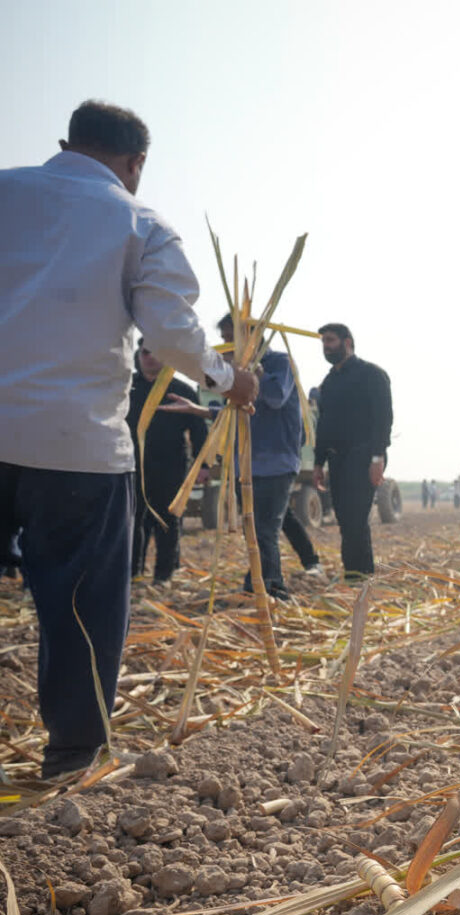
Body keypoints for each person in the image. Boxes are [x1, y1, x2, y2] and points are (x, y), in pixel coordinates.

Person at [0, 100, 258, 778]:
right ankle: (72, 753)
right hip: (74, 447)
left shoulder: (5, 191)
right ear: (136, 163)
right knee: (78, 604)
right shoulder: (138, 221)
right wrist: (231, 380)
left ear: (66, 142)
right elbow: (173, 333)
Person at [219, 313, 301, 601]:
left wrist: (254, 372)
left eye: (231, 339)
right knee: (252, 530)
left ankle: (275, 588)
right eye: (224, 340)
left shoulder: (279, 363)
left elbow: (276, 396)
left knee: (265, 529)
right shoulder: (233, 372)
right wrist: (199, 410)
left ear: (249, 338)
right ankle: (256, 583)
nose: (226, 346)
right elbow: (231, 410)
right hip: (248, 462)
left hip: (277, 460)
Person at [312, 323, 392, 578]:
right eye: (323, 342)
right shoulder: (329, 382)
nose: (326, 346)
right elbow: (323, 424)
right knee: (345, 519)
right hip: (338, 458)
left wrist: (377, 458)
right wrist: (318, 462)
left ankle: (361, 574)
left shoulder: (372, 375)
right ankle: (354, 572)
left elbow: (383, 420)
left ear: (347, 342)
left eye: (331, 340)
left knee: (356, 518)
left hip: (365, 455)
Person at [127, 339, 207, 583]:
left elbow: (199, 430)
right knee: (132, 519)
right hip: (131, 465)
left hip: (171, 465)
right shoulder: (126, 388)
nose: (149, 357)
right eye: (144, 352)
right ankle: (133, 572)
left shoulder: (181, 391)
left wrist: (202, 466)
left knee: (167, 520)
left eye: (155, 352)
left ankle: (163, 575)